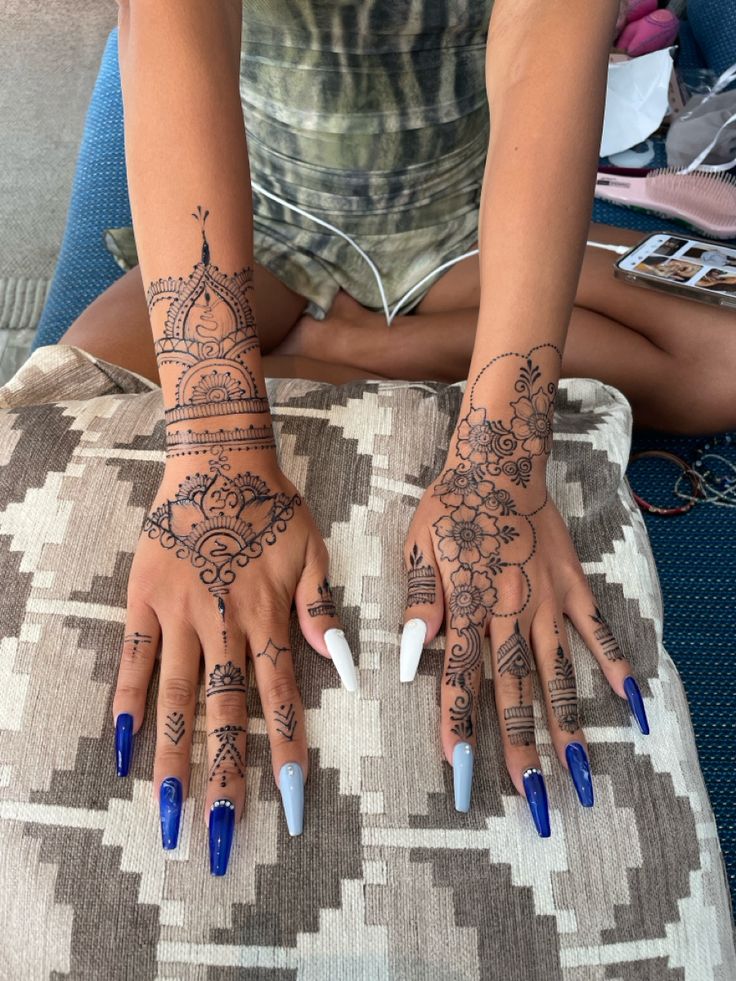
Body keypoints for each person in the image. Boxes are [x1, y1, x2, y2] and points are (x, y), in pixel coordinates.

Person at [58, 0, 733, 876]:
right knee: (69, 383)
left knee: (722, 363)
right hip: (266, 228)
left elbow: (550, 34)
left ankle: (341, 344)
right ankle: (378, 343)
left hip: (467, 228)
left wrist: (500, 459)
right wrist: (215, 442)